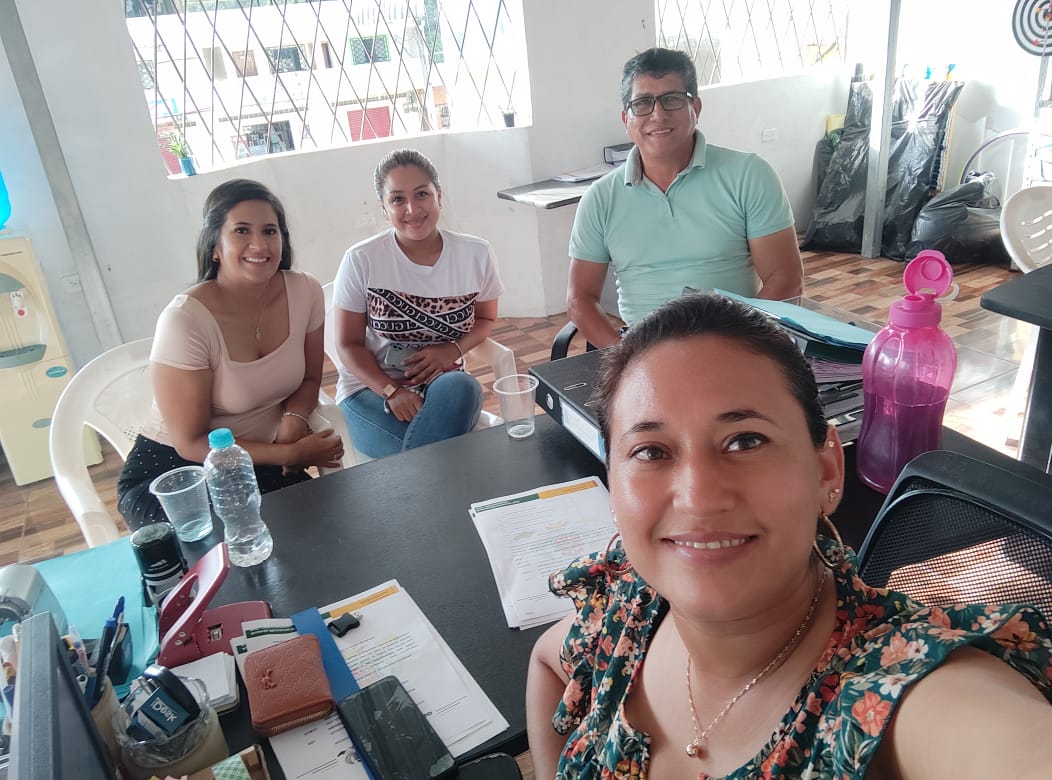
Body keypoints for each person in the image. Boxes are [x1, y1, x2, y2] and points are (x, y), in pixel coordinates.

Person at [526, 292, 1052, 778]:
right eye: (650, 451)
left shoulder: (899, 692)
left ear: (825, 469)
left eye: (745, 440)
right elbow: (547, 662)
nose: (698, 497)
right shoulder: (630, 605)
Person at [117, 179, 344, 529]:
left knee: (326, 527)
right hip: (177, 473)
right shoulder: (185, 321)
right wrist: (289, 453)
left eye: (270, 231)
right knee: (247, 540)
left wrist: (294, 420)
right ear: (215, 247)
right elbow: (190, 442)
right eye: (241, 230)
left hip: (258, 459)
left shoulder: (305, 291)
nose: (259, 244)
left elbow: (311, 378)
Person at [567, 48, 804, 348]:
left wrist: (740, 346)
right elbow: (579, 299)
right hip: (644, 351)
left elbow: (785, 279)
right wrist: (626, 358)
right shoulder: (600, 199)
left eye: (672, 99)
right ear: (626, 119)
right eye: (642, 103)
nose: (658, 114)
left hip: (736, 344)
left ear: (696, 107)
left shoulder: (749, 175)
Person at [333, 148, 504, 458]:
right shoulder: (362, 259)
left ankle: (426, 477)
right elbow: (347, 345)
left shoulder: (475, 254)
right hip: (369, 389)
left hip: (443, 385)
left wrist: (452, 350)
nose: (412, 209)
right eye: (398, 199)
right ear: (384, 208)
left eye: (422, 194)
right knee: (440, 455)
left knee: (463, 387)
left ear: (439, 196)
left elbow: (486, 319)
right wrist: (392, 391)